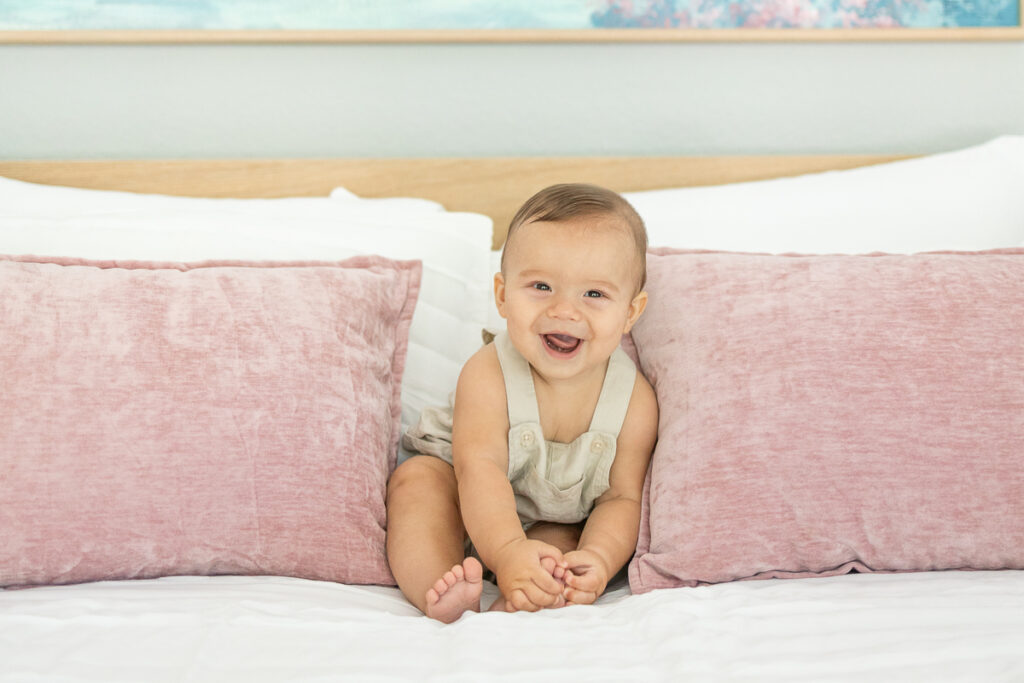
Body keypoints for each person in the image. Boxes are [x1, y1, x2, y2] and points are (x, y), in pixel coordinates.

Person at [385, 183, 658, 623]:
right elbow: (481, 468)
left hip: (549, 519)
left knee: (564, 548)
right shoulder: (487, 374)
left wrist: (600, 557)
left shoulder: (635, 402)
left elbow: (622, 498)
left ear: (630, 312)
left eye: (594, 294)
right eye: (541, 286)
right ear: (503, 295)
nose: (565, 311)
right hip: (462, 491)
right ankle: (441, 587)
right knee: (416, 485)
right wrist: (508, 550)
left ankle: (530, 593)